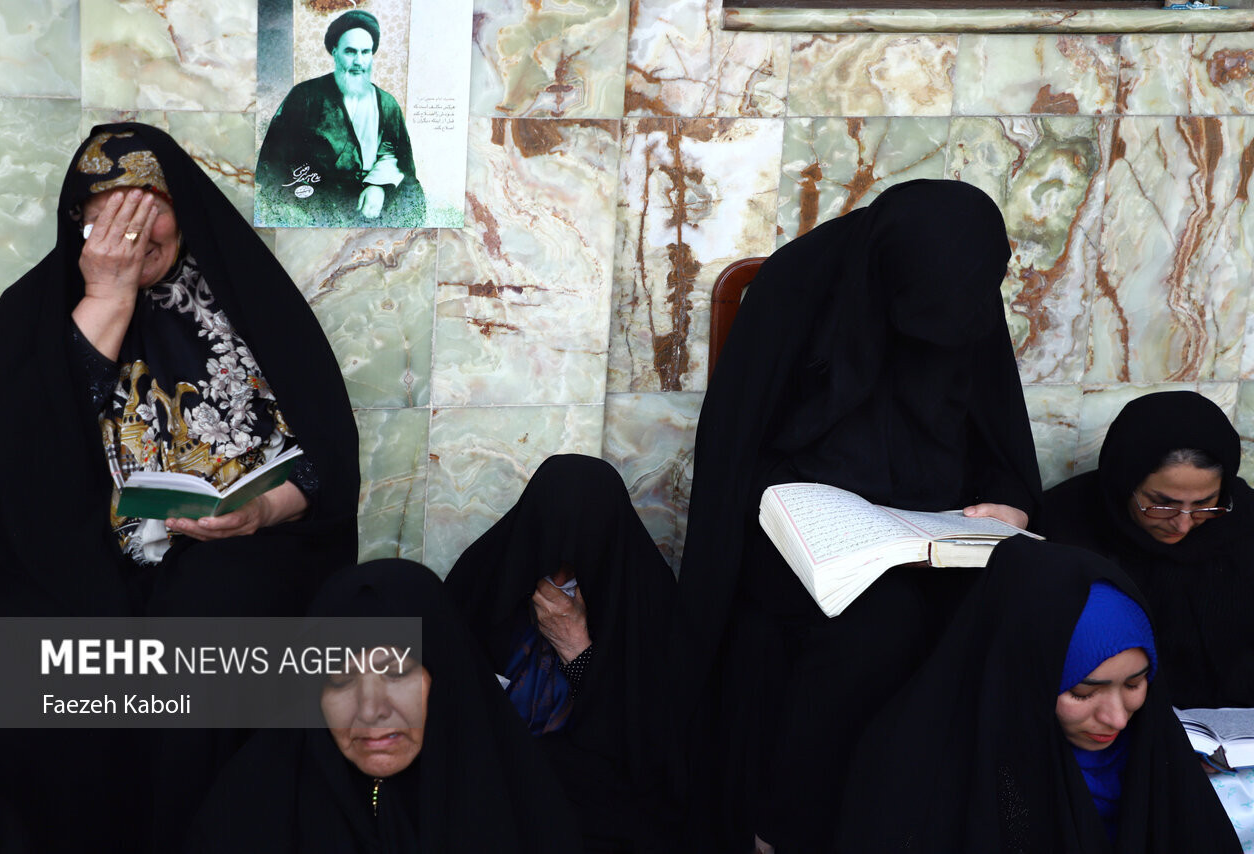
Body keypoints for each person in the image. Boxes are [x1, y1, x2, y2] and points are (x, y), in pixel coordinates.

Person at [0, 123, 360, 852]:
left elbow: (327, 462)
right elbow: (15, 474)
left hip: (240, 552)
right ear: (78, 225)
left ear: (184, 207)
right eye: (106, 216)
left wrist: (260, 511)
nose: (128, 235)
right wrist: (107, 297)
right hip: (81, 556)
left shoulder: (245, 297)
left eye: (146, 209)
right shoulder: (35, 311)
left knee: (208, 614)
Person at [672, 179, 1044, 851]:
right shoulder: (799, 288)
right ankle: (789, 831)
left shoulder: (966, 297)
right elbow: (738, 447)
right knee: (880, 627)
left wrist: (1008, 503)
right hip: (796, 531)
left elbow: (998, 435)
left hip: (936, 527)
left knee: (1023, 605)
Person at [836, 536, 1241, 853]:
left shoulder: (1153, 757)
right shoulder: (918, 777)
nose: (1117, 718)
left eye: (1135, 685)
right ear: (1023, 677)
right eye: (1082, 692)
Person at [189, 559, 583, 853]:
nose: (370, 709)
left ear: (443, 679)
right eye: (339, 679)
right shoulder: (248, 812)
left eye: (396, 674)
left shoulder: (525, 811)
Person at [1044, 390, 1254, 844]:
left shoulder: (1245, 525)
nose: (1183, 524)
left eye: (1206, 504)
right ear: (1126, 481)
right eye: (1161, 504)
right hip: (1119, 740)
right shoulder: (1064, 529)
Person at [444, 454, 681, 853]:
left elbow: (649, 746)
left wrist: (578, 649)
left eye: (577, 559)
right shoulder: (484, 577)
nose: (559, 577)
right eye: (550, 548)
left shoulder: (646, 600)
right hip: (490, 783)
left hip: (595, 804)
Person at [256, 9, 425, 228]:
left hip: (373, 196)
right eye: (350, 52)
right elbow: (275, 161)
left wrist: (379, 186)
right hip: (320, 197)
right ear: (335, 52)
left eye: (365, 52)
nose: (359, 61)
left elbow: (394, 155)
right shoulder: (305, 95)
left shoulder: (386, 103)